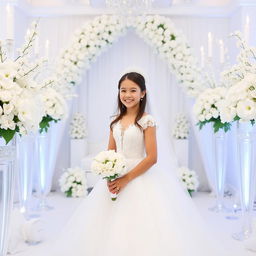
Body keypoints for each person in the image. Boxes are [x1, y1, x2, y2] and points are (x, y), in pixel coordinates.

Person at [47, 72, 232, 256]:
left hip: (139, 174)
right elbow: (110, 153)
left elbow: (152, 157)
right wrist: (109, 173)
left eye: (133, 90)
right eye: (123, 90)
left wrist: (126, 179)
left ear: (143, 93)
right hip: (117, 175)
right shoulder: (115, 121)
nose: (127, 95)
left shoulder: (147, 121)